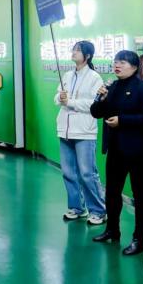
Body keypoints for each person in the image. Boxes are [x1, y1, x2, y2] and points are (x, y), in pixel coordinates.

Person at [89, 50, 143, 256]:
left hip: (140, 151)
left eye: (122, 62)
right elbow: (95, 112)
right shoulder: (111, 87)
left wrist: (122, 120)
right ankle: (112, 229)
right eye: (115, 62)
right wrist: (101, 98)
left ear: (134, 67)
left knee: (140, 195)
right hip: (116, 149)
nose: (117, 65)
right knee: (112, 192)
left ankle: (139, 239)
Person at [54, 41, 107, 225]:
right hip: (65, 129)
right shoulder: (67, 75)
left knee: (87, 173)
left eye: (78, 50)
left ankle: (98, 211)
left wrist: (70, 102)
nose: (74, 52)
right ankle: (77, 208)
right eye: (73, 49)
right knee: (68, 172)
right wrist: (60, 97)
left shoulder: (94, 77)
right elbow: (57, 97)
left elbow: (93, 104)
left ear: (88, 56)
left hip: (84, 131)